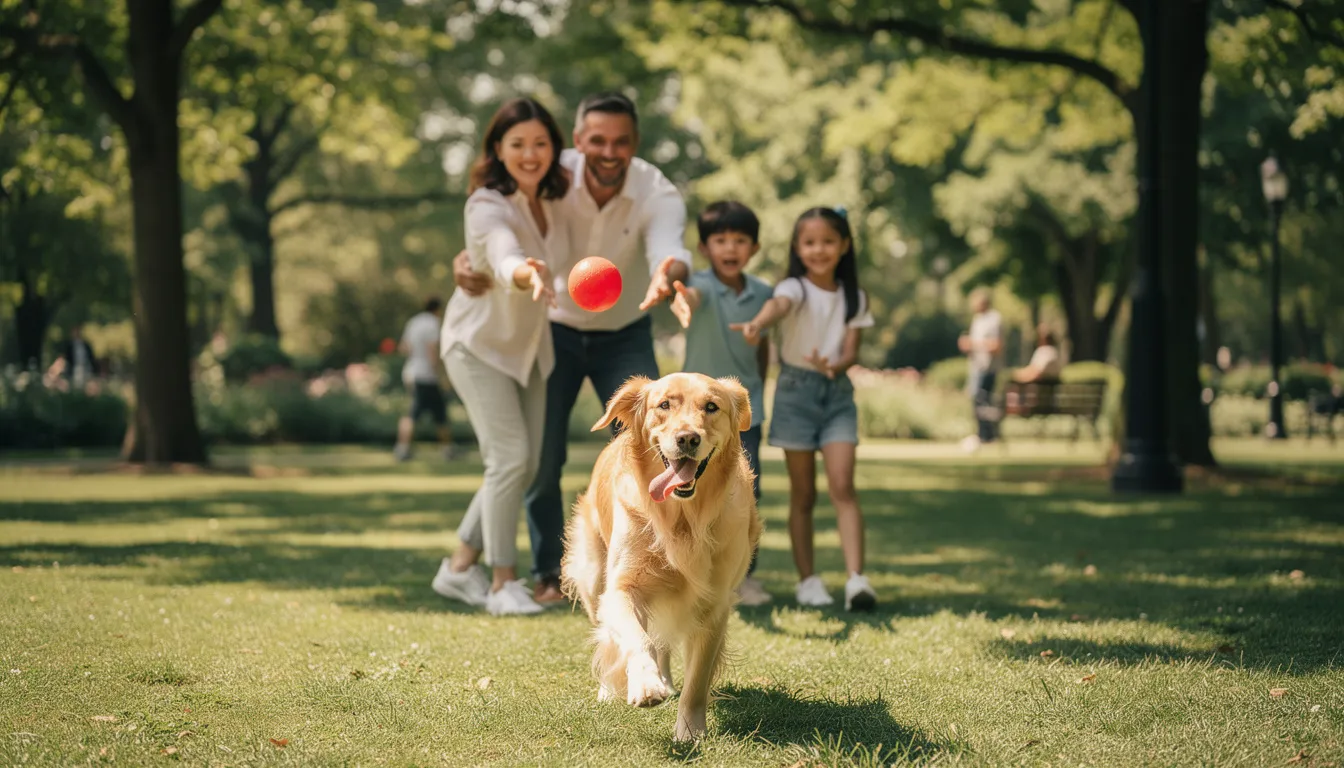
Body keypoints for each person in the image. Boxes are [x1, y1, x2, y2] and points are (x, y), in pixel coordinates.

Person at [453, 92, 692, 605]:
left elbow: (671, 246)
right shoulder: (547, 169)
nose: (609, 151)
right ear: (578, 142)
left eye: (621, 142)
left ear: (635, 143)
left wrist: (668, 272)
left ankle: (655, 564)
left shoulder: (655, 189)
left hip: (624, 331)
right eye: (597, 141)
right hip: (553, 327)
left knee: (653, 442)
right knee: (542, 458)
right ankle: (546, 575)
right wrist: (471, 259)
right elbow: (500, 224)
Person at [429, 97, 563, 616]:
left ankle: (460, 565)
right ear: (497, 150)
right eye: (517, 144)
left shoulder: (552, 200)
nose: (530, 154)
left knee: (522, 466)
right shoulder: (487, 204)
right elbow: (504, 254)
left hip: (527, 350)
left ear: (555, 147)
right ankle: (502, 583)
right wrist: (524, 273)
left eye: (540, 143)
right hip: (477, 346)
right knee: (508, 459)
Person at [731, 207, 877, 612]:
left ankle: (856, 580)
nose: (819, 250)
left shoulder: (855, 297)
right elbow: (778, 306)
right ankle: (808, 580)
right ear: (798, 247)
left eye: (828, 241)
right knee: (804, 494)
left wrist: (837, 365)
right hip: (796, 393)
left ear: (844, 246)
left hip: (836, 395)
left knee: (843, 485)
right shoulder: (794, 287)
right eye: (810, 242)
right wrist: (758, 323)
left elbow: (851, 351)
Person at [669, 200, 773, 607]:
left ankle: (743, 577)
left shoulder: (764, 293)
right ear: (705, 247)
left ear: (755, 248)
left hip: (744, 415)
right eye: (720, 240)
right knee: (689, 489)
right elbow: (689, 297)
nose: (730, 248)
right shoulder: (700, 285)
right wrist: (683, 300)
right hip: (694, 422)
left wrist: (760, 390)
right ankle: (688, 570)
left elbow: (763, 351)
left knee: (746, 493)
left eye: (740, 240)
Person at [394, 298, 455, 461]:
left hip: (411, 372)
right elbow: (431, 349)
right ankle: (445, 450)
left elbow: (403, 347)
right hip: (427, 375)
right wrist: (440, 374)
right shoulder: (432, 324)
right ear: (437, 309)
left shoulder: (413, 322)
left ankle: (404, 448)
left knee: (426, 411)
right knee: (430, 413)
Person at [957, 288, 1002, 453]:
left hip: (988, 368)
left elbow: (996, 345)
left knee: (984, 401)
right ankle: (982, 434)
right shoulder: (977, 320)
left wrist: (973, 344)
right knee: (976, 400)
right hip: (976, 367)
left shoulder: (994, 319)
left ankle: (988, 436)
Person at [60, 324, 98, 388]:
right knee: (76, 384)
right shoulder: (70, 346)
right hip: (75, 367)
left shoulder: (85, 345)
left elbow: (91, 357)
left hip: (85, 367)